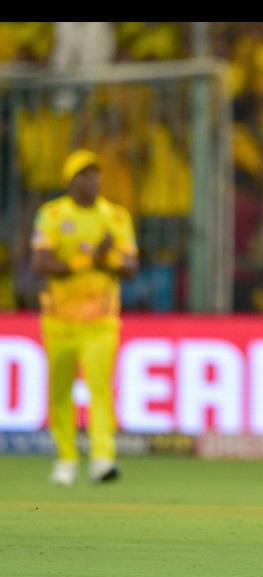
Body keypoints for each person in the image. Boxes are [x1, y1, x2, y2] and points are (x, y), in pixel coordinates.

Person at [31, 149, 140, 486]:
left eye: (95, 173)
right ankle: (66, 459)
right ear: (71, 180)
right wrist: (90, 260)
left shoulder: (116, 216)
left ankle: (103, 458)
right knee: (60, 391)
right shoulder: (52, 214)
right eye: (84, 174)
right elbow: (41, 264)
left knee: (100, 388)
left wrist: (107, 259)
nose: (92, 179)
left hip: (100, 321)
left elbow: (131, 268)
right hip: (59, 320)